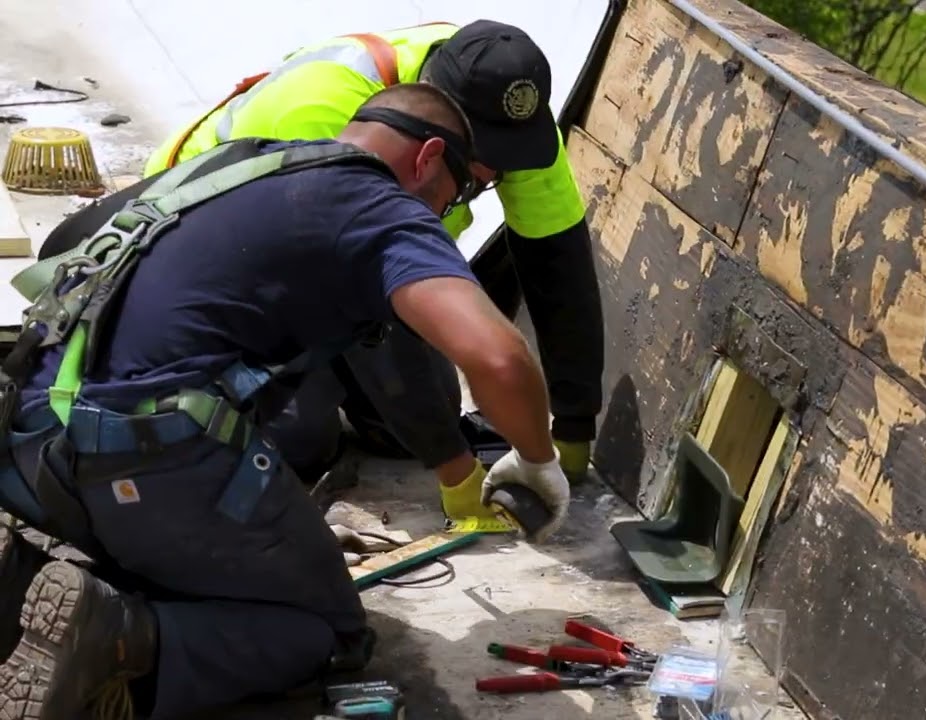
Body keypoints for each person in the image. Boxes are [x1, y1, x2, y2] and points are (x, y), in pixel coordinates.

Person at [0, 82, 571, 719]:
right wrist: (536, 458)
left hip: (31, 435)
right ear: (429, 157)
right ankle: (125, 638)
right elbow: (497, 356)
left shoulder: (246, 160)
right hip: (136, 460)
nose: (449, 210)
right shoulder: (385, 210)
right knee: (324, 635)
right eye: (462, 190)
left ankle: (20, 582)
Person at [143, 18, 603, 522]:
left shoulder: (511, 116)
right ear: (434, 131)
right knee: (297, 439)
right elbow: (363, 279)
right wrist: (457, 473)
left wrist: (573, 430)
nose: (493, 174)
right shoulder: (325, 114)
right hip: (203, 257)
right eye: (477, 165)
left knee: (412, 424)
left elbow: (558, 268)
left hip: (327, 260)